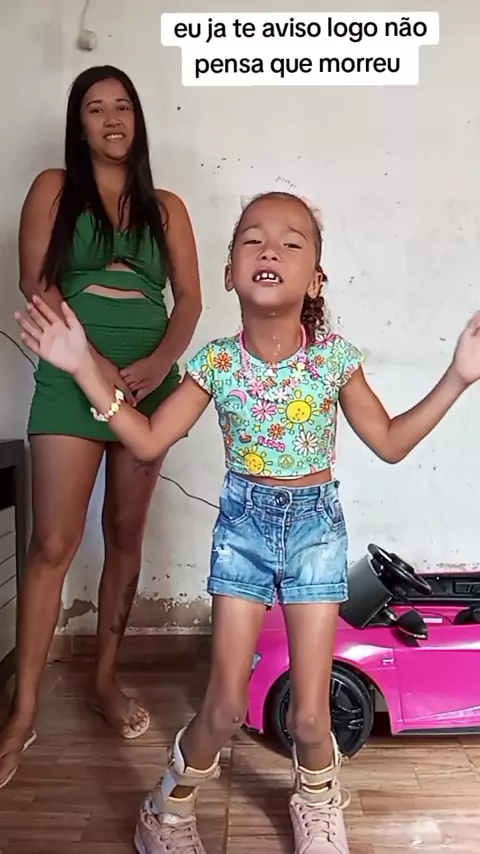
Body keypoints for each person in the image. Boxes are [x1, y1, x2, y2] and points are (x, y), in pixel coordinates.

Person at [14, 190, 480, 854]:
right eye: (252, 239)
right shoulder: (215, 364)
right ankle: (166, 811)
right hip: (244, 532)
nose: (270, 249)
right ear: (231, 272)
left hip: (316, 534)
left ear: (315, 279)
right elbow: (146, 439)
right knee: (226, 707)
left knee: (312, 718)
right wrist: (85, 366)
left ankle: (317, 802)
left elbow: (391, 442)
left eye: (292, 241)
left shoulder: (335, 360)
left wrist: (459, 376)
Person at [0, 65, 201, 789]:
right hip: (69, 378)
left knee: (124, 533)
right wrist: (91, 364)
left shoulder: (167, 207)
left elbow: (189, 301)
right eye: (95, 108)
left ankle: (103, 680)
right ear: (78, 123)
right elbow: (35, 281)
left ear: (137, 120)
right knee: (53, 543)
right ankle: (23, 711)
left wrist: (159, 362)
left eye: (123, 106)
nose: (112, 118)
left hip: (147, 384)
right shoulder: (55, 188)